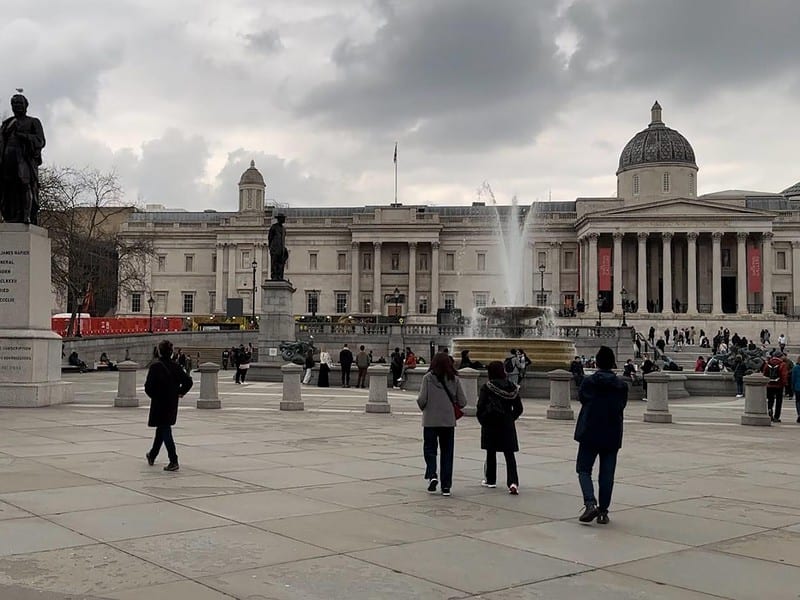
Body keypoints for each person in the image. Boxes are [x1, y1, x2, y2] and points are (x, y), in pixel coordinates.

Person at [574, 345, 628, 525]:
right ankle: (603, 512)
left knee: (583, 469)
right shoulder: (621, 385)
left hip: (590, 430)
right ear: (613, 363)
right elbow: (621, 405)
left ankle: (590, 504)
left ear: (596, 362)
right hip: (612, 432)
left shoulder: (589, 382)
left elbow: (582, 399)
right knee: (607, 474)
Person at [416, 352, 467, 497]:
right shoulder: (455, 379)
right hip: (448, 422)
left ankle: (432, 475)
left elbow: (422, 400)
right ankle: (446, 487)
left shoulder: (427, 378)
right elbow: (463, 402)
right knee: (447, 453)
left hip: (430, 421)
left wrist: (426, 408)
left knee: (430, 450)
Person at [145, 339, 193, 472]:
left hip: (159, 402)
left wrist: (155, 396)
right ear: (171, 352)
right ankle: (152, 455)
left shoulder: (155, 367)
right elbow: (188, 381)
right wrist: (180, 393)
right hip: (172, 402)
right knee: (162, 428)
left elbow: (148, 387)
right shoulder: (176, 366)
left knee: (165, 429)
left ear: (159, 352)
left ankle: (173, 460)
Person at [477, 361, 523, 495]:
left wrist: (483, 420)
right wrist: (510, 418)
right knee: (509, 455)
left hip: (491, 423)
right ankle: (513, 482)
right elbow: (519, 408)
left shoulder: (488, 387)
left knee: (490, 453)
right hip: (507, 424)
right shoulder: (512, 387)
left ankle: (491, 480)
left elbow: (480, 406)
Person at [0, 93, 46, 225]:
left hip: (23, 159)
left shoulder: (33, 122)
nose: (17, 106)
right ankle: (11, 216)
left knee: (24, 185)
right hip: (8, 160)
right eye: (15, 104)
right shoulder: (7, 123)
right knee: (8, 189)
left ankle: (27, 215)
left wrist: (24, 136)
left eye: (20, 103)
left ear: (26, 105)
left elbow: (40, 141)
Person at [762, 351, 788, 422]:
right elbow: (784, 375)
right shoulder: (782, 364)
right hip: (779, 385)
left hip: (769, 385)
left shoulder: (768, 363)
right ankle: (776, 416)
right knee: (779, 401)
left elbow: (764, 373)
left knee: (770, 400)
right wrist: (785, 384)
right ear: (779, 356)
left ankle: (770, 410)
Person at [268, 212, 289, 280]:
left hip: (281, 249)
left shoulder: (283, 229)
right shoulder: (274, 227)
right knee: (274, 263)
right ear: (279, 219)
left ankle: (280, 276)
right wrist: (271, 248)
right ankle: (274, 276)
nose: (284, 219)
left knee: (280, 264)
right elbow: (270, 238)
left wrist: (283, 248)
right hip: (275, 248)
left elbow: (283, 240)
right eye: (283, 218)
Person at [792, 356, 800, 424]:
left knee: (798, 401)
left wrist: (792, 387)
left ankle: (799, 414)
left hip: (798, 387)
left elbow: (793, 378)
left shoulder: (796, 367)